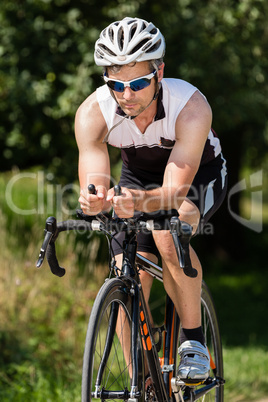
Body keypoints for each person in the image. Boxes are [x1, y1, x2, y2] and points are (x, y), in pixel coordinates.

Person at [76, 17, 227, 383]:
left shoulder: (190, 106)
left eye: (139, 83)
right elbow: (96, 181)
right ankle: (140, 380)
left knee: (166, 232)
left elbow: (174, 192)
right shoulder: (93, 113)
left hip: (196, 177)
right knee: (127, 268)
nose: (126, 95)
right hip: (138, 179)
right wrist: (96, 199)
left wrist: (138, 202)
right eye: (116, 84)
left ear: (159, 72)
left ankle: (193, 342)